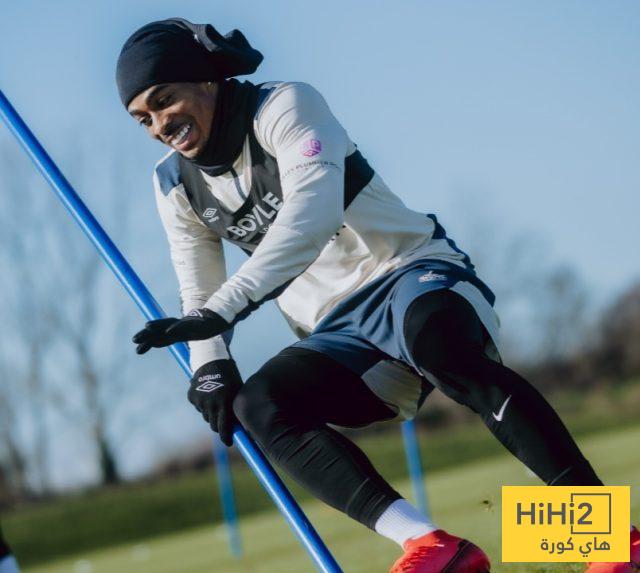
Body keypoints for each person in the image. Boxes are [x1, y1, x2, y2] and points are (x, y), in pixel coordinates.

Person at [117, 19, 639, 573]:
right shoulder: (173, 184)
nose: (159, 125)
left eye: (165, 100)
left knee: (441, 349)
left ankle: (608, 543)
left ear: (206, 78)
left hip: (411, 274)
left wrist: (223, 309)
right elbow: (197, 285)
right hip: (337, 333)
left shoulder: (283, 105)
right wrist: (210, 365)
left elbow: (312, 214)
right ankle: (433, 546)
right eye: (142, 118)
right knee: (260, 405)